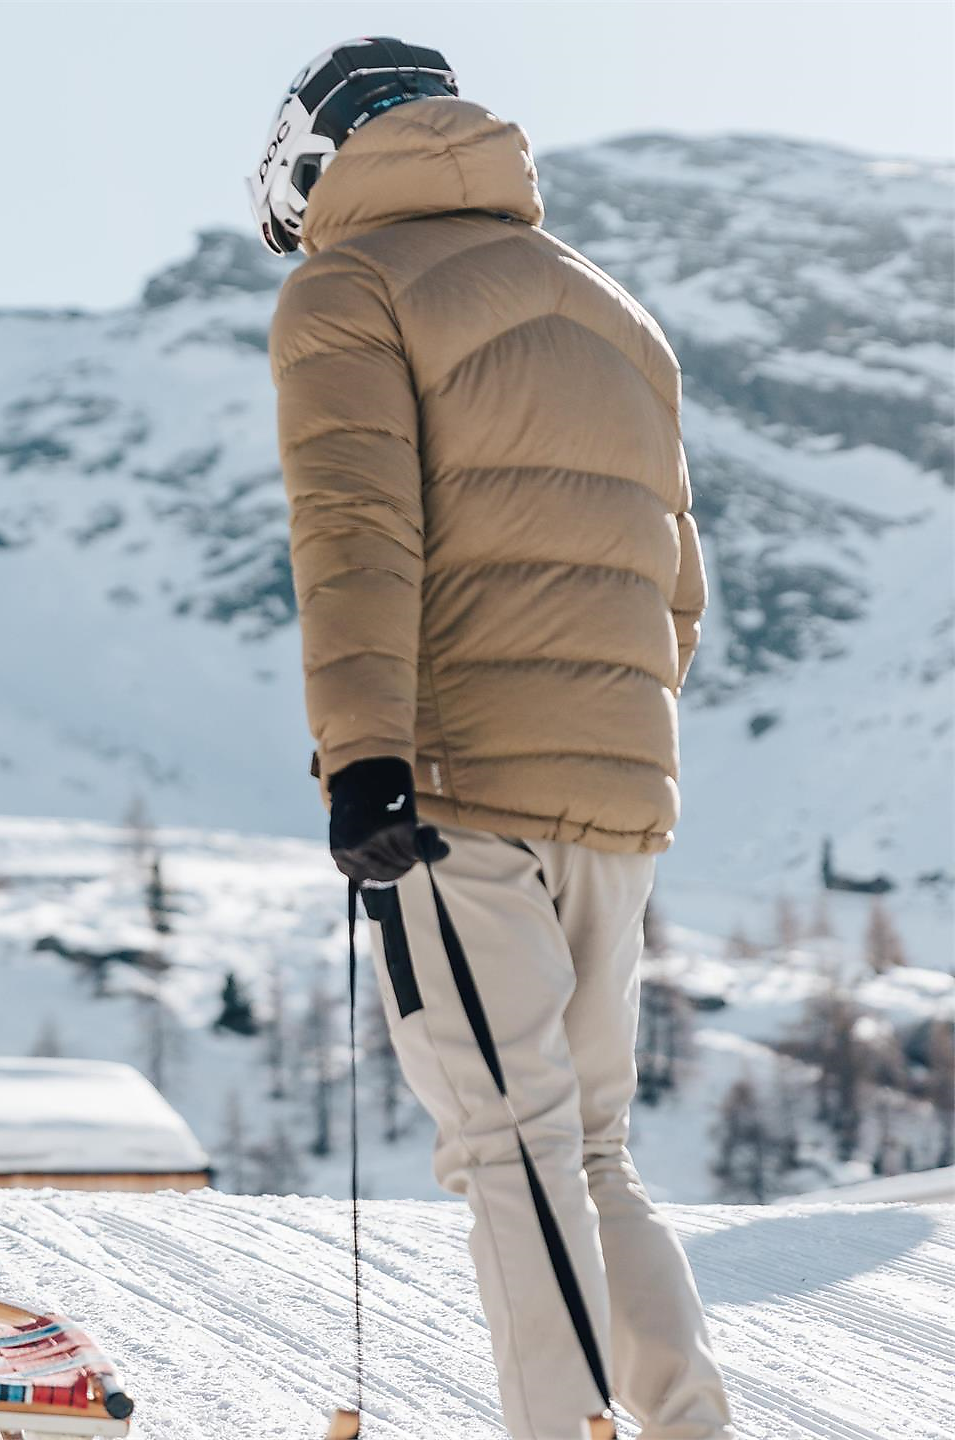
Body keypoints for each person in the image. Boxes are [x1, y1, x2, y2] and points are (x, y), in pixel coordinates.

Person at [251, 38, 732, 1440]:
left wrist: (366, 759)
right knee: (590, 1146)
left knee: (507, 1146)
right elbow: (677, 586)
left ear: (317, 158)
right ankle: (688, 1423)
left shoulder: (346, 288)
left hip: (452, 787)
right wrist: (605, 736)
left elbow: (354, 532)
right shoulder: (614, 308)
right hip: (615, 792)